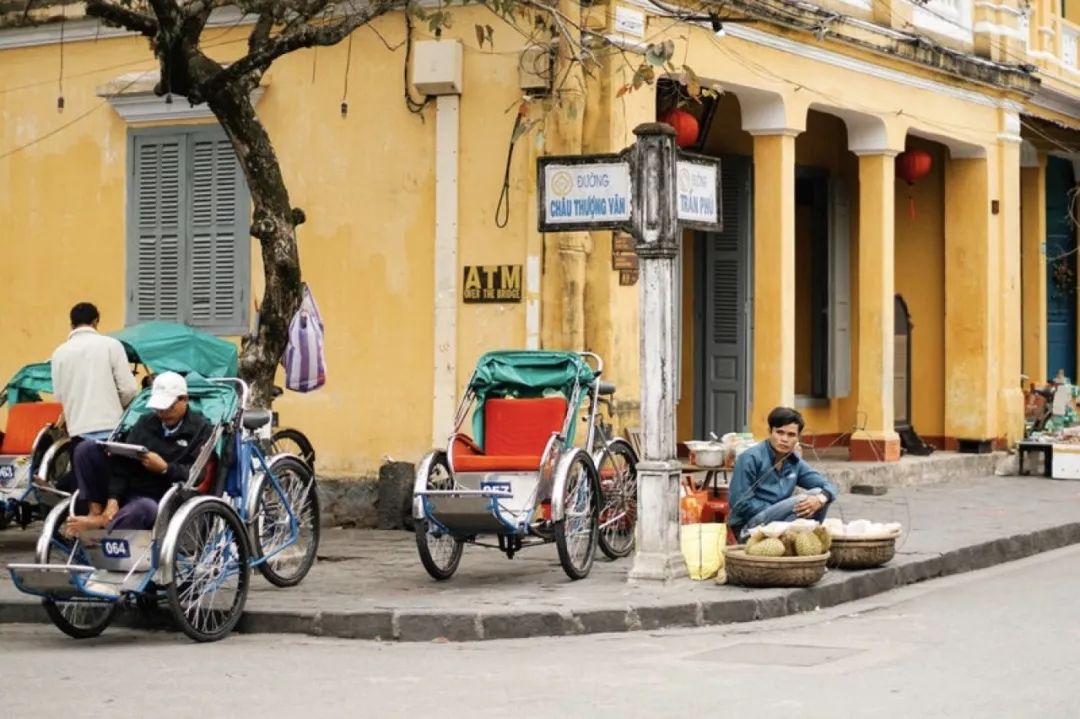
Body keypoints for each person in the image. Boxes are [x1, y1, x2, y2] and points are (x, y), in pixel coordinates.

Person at [65, 372, 212, 535]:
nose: (162, 413)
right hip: (129, 486)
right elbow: (123, 463)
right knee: (87, 449)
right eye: (158, 408)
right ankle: (96, 513)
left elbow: (197, 475)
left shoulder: (201, 429)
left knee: (144, 509)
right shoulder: (145, 422)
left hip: (159, 496)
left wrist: (165, 468)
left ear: (184, 399)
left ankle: (103, 524)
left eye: (168, 407)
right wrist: (113, 499)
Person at [727, 406, 838, 541]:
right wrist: (780, 508)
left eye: (791, 435)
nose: (784, 439)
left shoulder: (794, 462)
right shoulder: (750, 458)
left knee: (819, 495)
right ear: (770, 432)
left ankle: (808, 540)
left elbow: (829, 485)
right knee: (805, 499)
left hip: (777, 523)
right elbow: (739, 503)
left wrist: (821, 499)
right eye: (780, 432)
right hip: (749, 527)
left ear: (798, 437)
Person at [51, 302, 138, 441]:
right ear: (96, 321)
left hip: (77, 432)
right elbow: (129, 389)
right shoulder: (112, 345)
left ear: (72, 324)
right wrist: (114, 404)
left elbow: (59, 396)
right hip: (111, 429)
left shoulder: (59, 353)